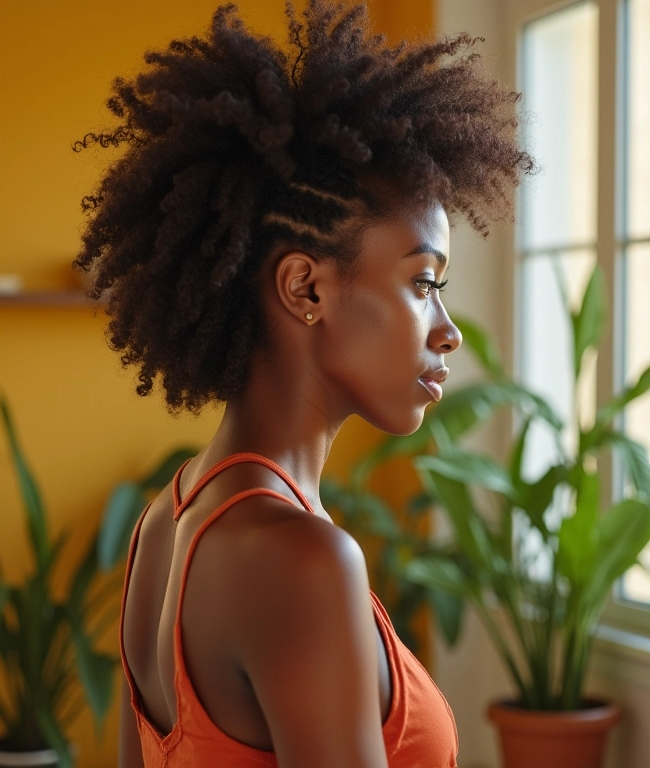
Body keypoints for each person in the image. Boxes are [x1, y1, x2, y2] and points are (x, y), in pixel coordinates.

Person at [74, 2, 533, 766]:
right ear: (305, 289)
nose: (448, 329)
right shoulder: (301, 560)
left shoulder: (171, 517)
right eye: (423, 282)